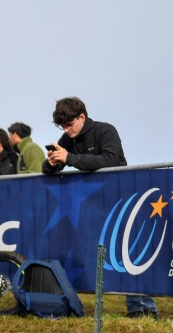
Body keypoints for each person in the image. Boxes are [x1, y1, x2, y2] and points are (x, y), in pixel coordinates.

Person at [42, 97, 156, 318]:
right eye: (62, 126)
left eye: (69, 124)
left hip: (120, 200)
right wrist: (52, 163)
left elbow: (110, 161)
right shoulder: (67, 138)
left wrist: (71, 157)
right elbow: (47, 170)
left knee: (128, 252)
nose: (66, 130)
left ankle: (144, 308)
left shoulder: (105, 131)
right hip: (92, 207)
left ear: (82, 116)